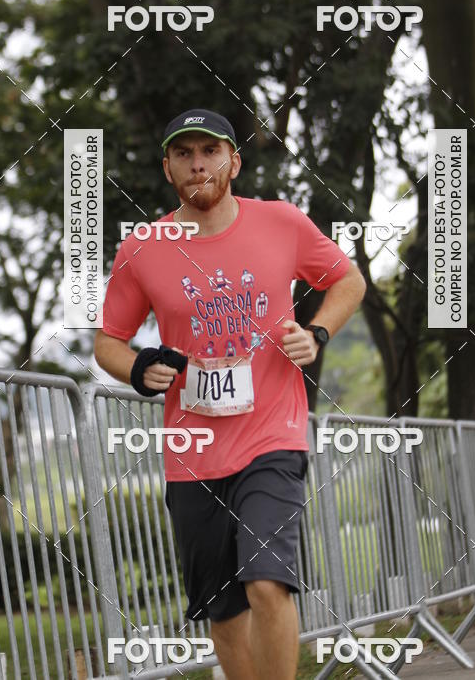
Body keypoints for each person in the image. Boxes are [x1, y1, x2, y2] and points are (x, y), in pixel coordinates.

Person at [94, 108, 366, 679]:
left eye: (210, 151)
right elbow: (108, 343)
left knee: (267, 583)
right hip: (192, 452)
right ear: (168, 168)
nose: (199, 164)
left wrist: (316, 332)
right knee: (223, 608)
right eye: (185, 154)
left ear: (233, 162)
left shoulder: (282, 222)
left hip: (273, 435)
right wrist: (140, 365)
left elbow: (348, 279)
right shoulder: (142, 248)